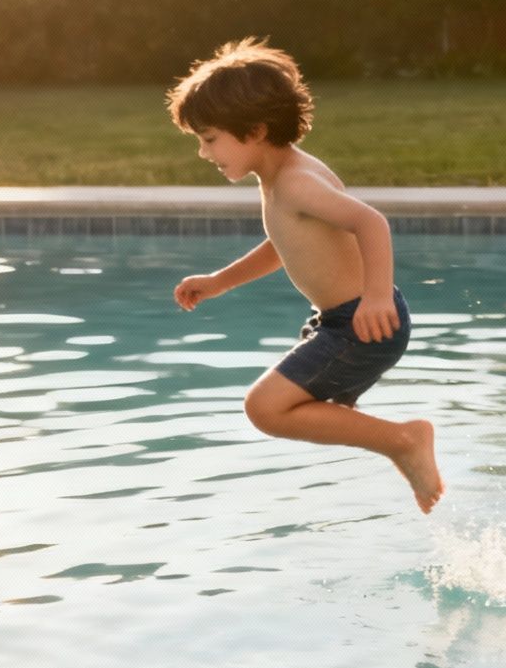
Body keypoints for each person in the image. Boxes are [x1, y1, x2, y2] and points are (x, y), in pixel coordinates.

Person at [167, 38, 444, 513]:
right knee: (311, 411)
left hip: (363, 325)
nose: (203, 151)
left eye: (210, 138)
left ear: (254, 130)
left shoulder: (296, 182)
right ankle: (397, 443)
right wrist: (220, 281)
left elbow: (370, 221)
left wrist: (377, 296)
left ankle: (404, 440)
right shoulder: (277, 179)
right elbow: (283, 244)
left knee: (265, 408)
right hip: (338, 322)